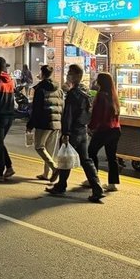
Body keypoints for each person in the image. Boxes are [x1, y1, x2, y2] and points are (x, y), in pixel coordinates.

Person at [46, 64, 104, 203]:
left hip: (73, 131)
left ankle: (61, 185)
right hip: (82, 130)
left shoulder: (74, 94)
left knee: (66, 158)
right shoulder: (85, 92)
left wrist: (66, 132)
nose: (68, 75)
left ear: (78, 76)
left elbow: (68, 115)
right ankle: (96, 188)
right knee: (85, 160)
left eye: (71, 73)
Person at [26, 64, 63, 183]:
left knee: (39, 146)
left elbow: (36, 109)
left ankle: (54, 168)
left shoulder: (40, 89)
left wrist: (30, 124)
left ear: (42, 74)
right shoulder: (59, 88)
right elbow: (62, 105)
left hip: (44, 122)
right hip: (57, 122)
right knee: (50, 149)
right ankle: (46, 174)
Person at [87, 72, 122, 192]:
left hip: (104, 129)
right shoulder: (113, 95)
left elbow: (97, 115)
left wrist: (91, 127)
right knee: (111, 157)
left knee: (91, 152)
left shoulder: (100, 95)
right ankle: (112, 183)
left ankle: (93, 178)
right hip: (115, 129)